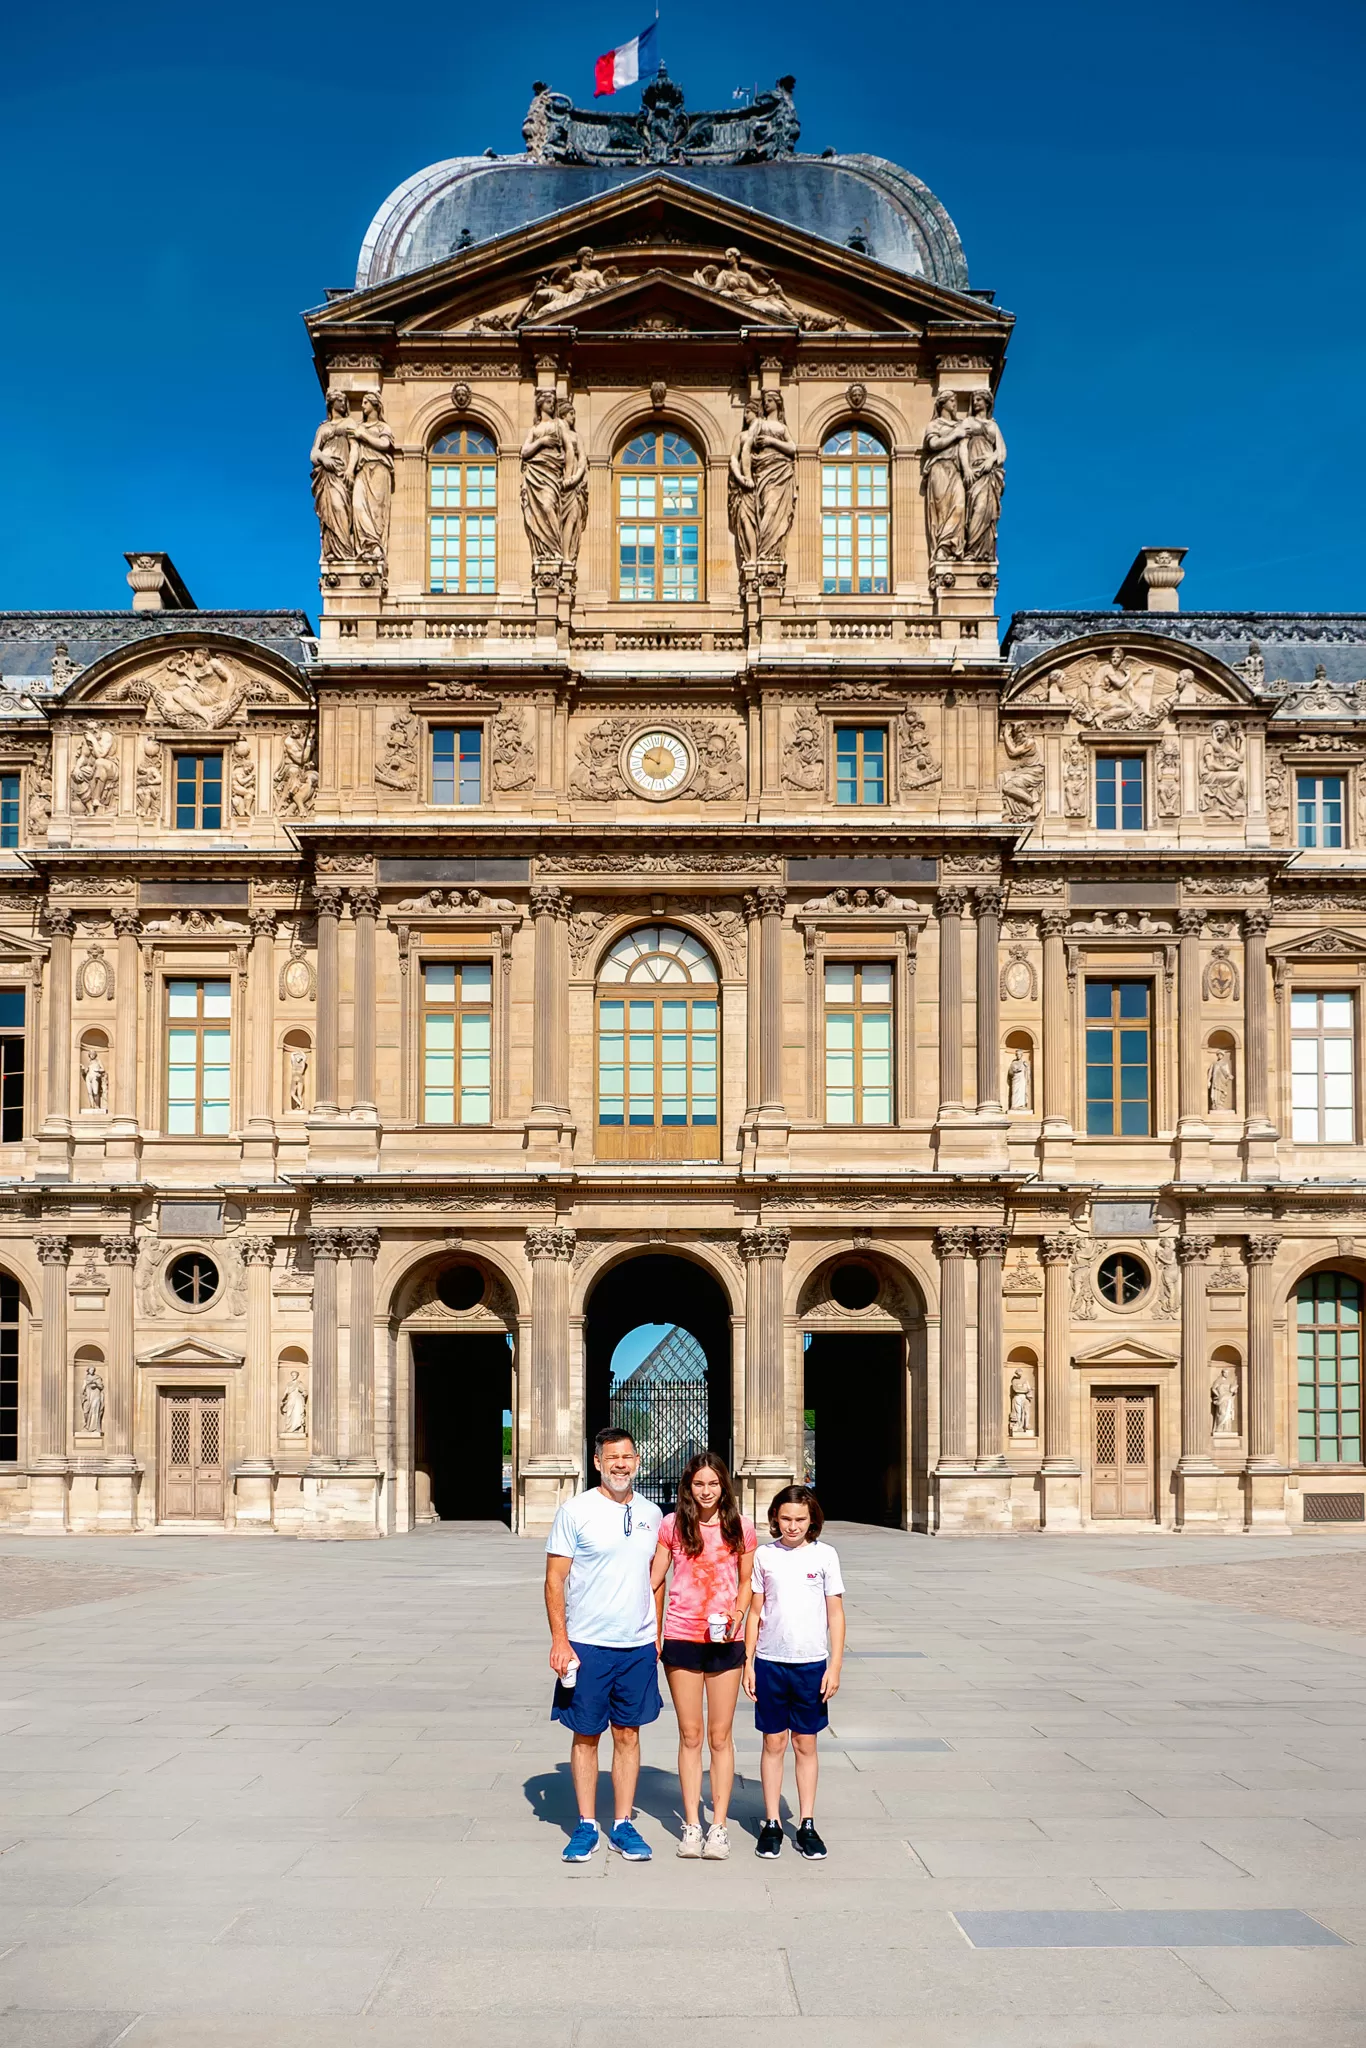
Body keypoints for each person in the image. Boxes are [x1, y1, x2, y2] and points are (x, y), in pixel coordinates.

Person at [544, 1426, 662, 1864]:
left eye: (627, 1456)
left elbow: (657, 1579)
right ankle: (587, 1823)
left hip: (636, 1645)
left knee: (628, 1734)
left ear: (637, 1461)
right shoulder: (575, 1511)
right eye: (612, 1457)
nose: (620, 1464)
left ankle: (625, 1822)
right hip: (588, 1643)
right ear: (597, 1462)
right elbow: (555, 1579)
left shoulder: (652, 1514)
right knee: (586, 1734)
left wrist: (658, 1632)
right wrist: (560, 1639)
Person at [650, 1451, 757, 1861]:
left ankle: (720, 1825)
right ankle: (692, 1823)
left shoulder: (740, 1527)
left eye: (713, 1483)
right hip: (681, 1636)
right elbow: (654, 1579)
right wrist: (652, 1632)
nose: (707, 1490)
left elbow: (747, 1580)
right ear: (688, 1487)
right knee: (690, 1734)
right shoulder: (672, 1525)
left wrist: (739, 1612)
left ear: (723, 1485)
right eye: (699, 1484)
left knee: (720, 1736)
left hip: (725, 1639)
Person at [743, 1484, 845, 1860]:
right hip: (771, 1661)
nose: (792, 1525)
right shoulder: (764, 1557)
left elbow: (835, 1613)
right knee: (773, 1742)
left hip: (811, 1663)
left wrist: (834, 1664)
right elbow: (755, 1611)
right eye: (785, 1518)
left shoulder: (825, 1556)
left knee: (806, 1743)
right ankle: (771, 1822)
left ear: (812, 1520)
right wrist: (748, 1662)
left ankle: (806, 1822)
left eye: (800, 1519)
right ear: (775, 1518)